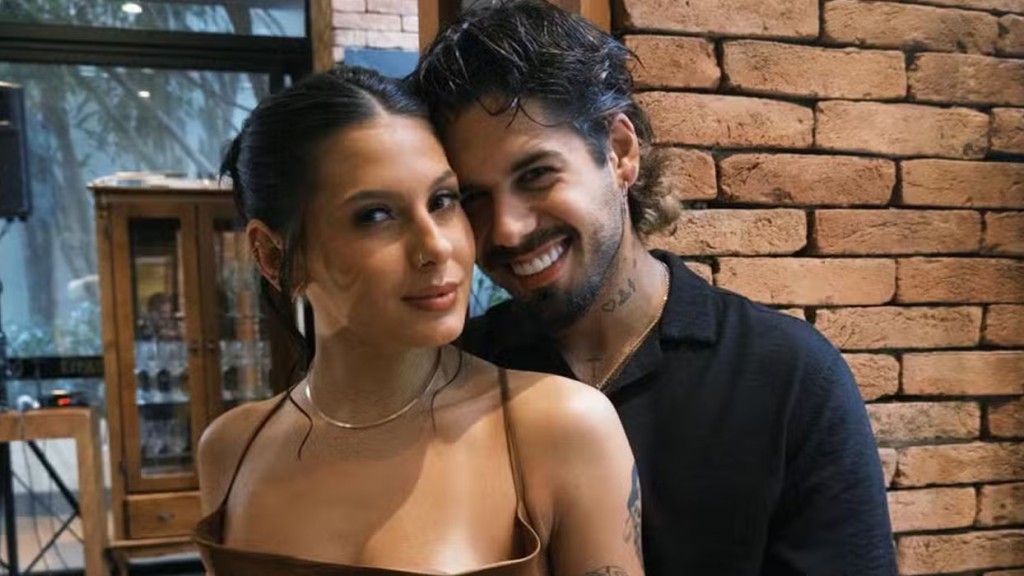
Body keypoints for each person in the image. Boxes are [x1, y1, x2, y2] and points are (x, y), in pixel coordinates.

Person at [411, 2, 897, 574]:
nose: (509, 229)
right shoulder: (450, 377)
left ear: (620, 152)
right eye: (473, 198)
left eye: (536, 175)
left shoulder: (788, 377)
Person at [193, 66, 644, 576]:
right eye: (375, 215)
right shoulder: (231, 449)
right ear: (275, 257)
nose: (436, 246)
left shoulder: (560, 428)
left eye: (443, 201)